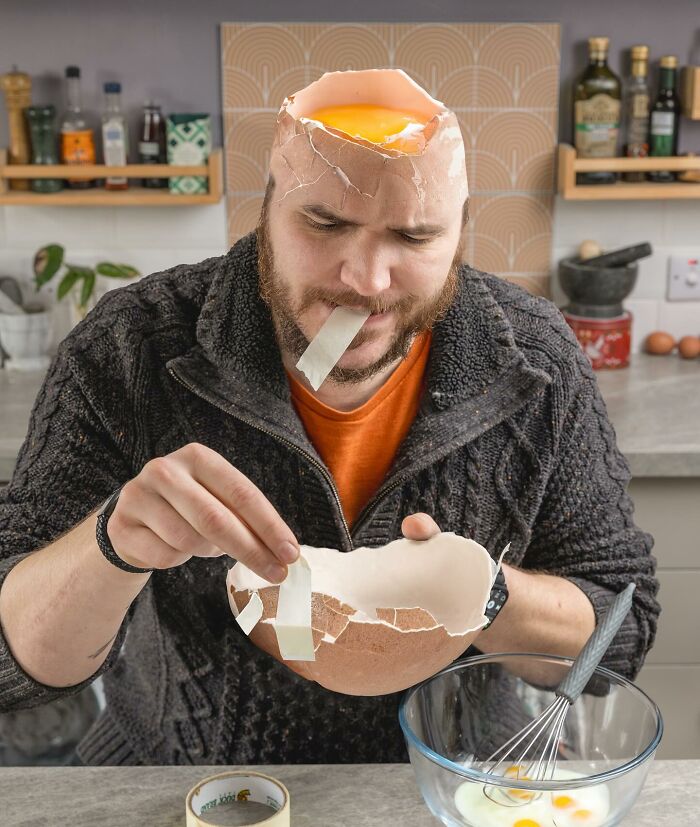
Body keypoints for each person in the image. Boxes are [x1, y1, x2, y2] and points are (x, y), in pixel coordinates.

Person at [0, 70, 659, 767]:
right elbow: (12, 666)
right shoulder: (130, 347)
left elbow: (624, 627)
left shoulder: (535, 358)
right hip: (181, 777)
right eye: (325, 223)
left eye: (413, 235)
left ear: (460, 238)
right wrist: (115, 542)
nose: (366, 279)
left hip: (460, 782)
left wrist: (484, 591)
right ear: (267, 215)